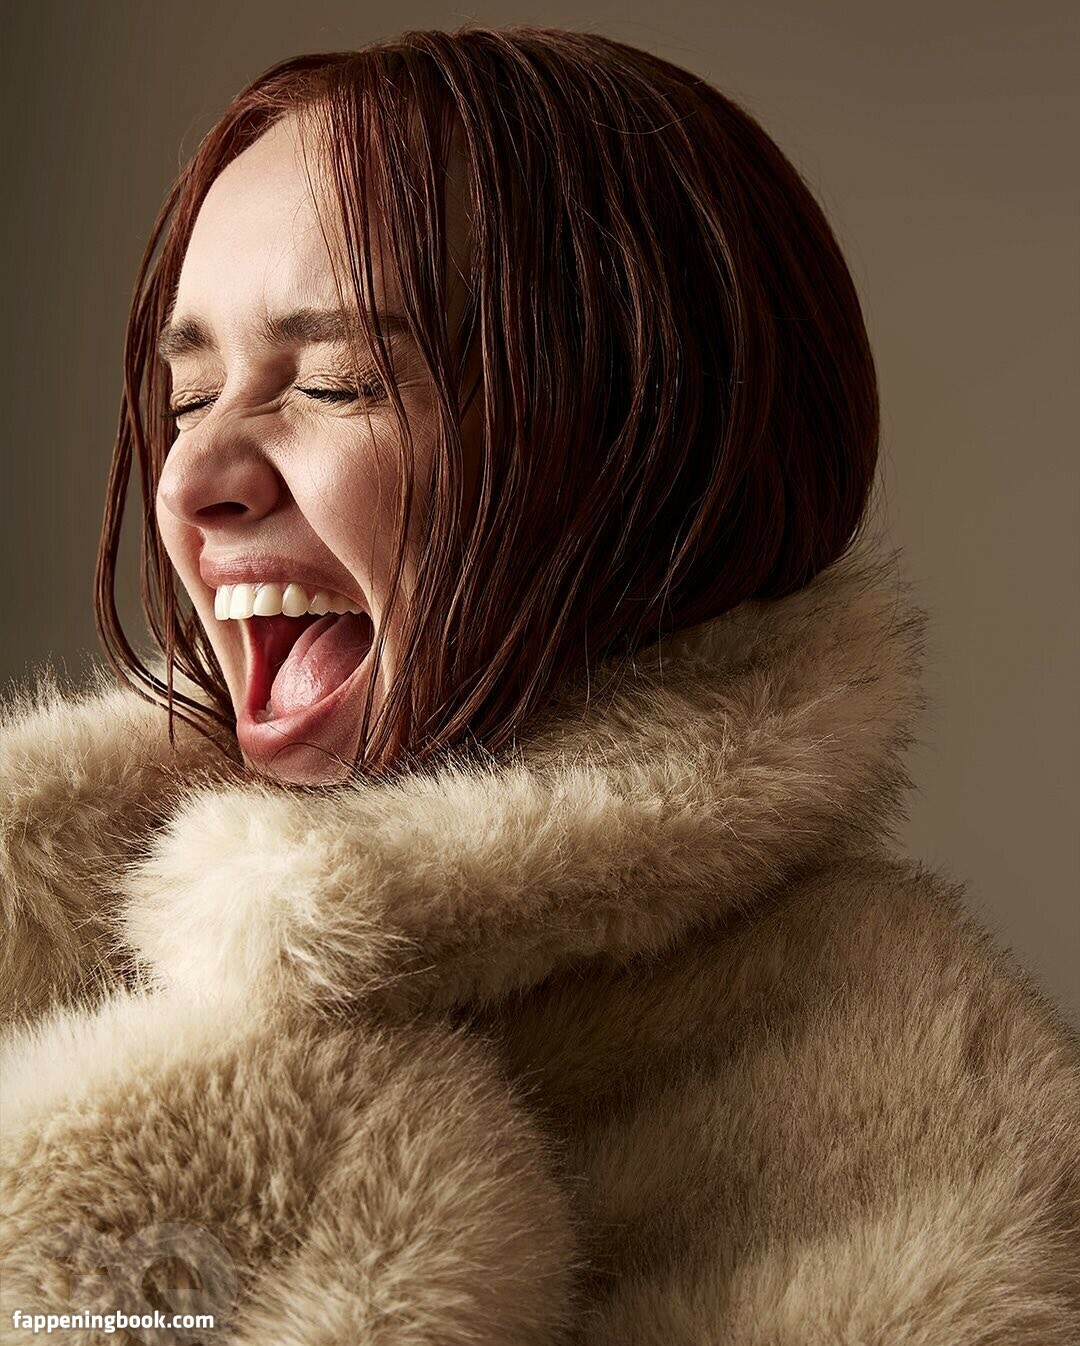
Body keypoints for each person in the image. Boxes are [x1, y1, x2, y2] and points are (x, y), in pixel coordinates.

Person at [1, 25, 1077, 1345]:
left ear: (647, 449)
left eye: (336, 381)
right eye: (187, 396)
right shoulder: (42, 918)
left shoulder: (927, 1136)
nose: (192, 481)